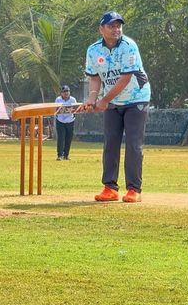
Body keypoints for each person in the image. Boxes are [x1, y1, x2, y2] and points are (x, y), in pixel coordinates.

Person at [84, 11, 151, 203]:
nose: (116, 29)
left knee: (133, 143)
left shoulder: (129, 46)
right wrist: (92, 98)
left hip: (136, 98)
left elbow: (126, 78)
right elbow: (95, 77)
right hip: (113, 101)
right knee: (111, 142)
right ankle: (110, 188)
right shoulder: (93, 50)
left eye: (118, 25)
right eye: (111, 26)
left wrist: (104, 101)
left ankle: (133, 189)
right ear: (101, 29)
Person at [55, 85, 77, 160]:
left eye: (67, 91)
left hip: (70, 121)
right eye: (64, 91)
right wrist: (65, 110)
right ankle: (59, 155)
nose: (66, 93)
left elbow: (75, 109)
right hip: (60, 121)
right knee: (61, 138)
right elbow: (57, 109)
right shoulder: (58, 99)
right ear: (61, 93)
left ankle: (66, 155)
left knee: (69, 138)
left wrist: (70, 111)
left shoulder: (73, 100)